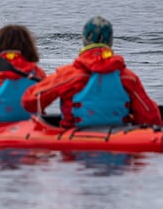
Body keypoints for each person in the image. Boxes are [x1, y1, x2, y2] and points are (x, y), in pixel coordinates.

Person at [21, 16, 162, 128]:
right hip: (118, 141)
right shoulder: (128, 77)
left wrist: (40, 83)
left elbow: (30, 103)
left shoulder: (68, 75)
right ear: (111, 42)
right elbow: (151, 118)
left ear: (84, 41)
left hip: (74, 147)